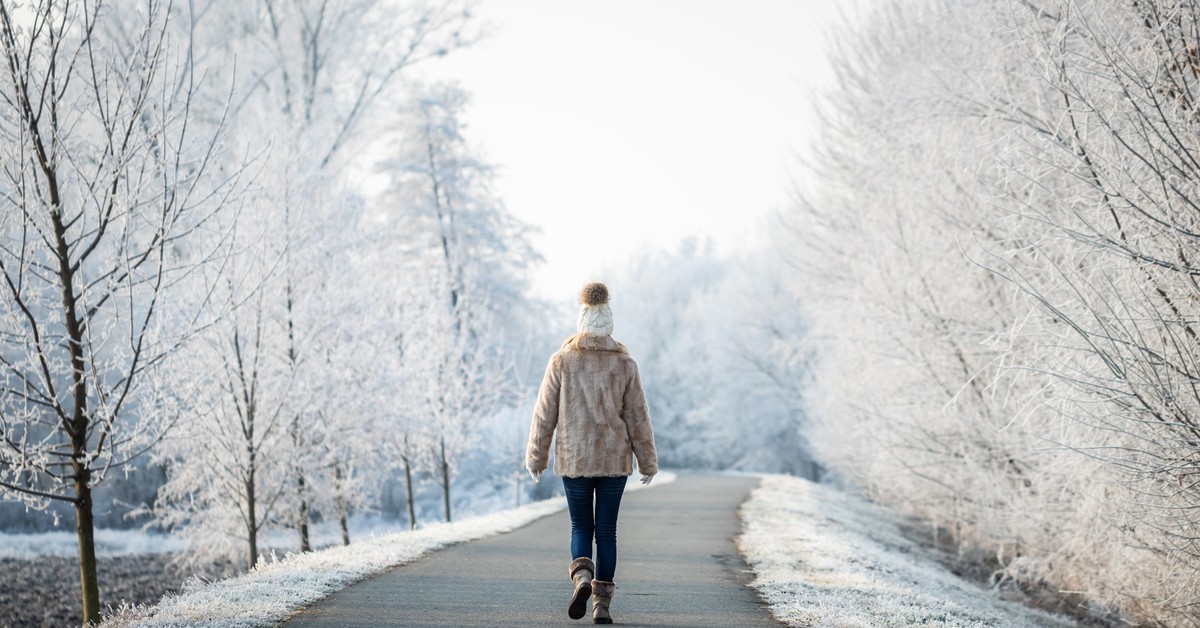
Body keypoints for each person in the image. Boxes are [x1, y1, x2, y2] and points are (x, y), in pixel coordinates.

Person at [526, 281, 658, 624]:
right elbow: (638, 417)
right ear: (609, 324)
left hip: (575, 459)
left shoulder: (562, 361)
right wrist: (648, 462)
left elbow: (545, 414)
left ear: (581, 322)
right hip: (614, 461)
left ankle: (582, 575)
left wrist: (536, 458)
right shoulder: (626, 364)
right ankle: (601, 604)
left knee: (580, 526)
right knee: (607, 531)